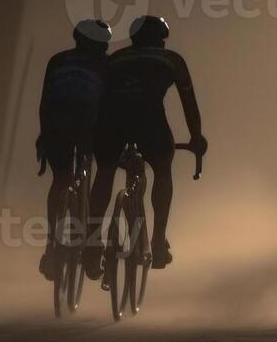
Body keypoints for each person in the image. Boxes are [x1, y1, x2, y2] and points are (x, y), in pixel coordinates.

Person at [86, 15, 206, 277]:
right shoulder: (173, 60)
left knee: (105, 171)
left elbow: (98, 96)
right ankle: (158, 241)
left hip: (111, 121)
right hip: (149, 120)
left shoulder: (114, 59)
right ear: (161, 40)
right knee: (162, 169)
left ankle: (92, 243)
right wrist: (196, 137)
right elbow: (189, 103)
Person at [36, 19, 111, 280]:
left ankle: (50, 247)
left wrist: (44, 136)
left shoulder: (57, 60)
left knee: (60, 179)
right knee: (93, 173)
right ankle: (91, 245)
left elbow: (45, 101)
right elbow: (108, 105)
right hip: (88, 125)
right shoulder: (106, 65)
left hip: (55, 124)